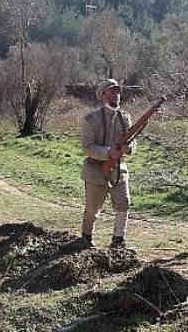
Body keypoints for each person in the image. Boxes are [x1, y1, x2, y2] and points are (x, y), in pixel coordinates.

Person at [80, 79, 136, 249]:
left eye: (117, 91)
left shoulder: (125, 118)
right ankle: (86, 238)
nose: (115, 95)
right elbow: (87, 147)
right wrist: (107, 152)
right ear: (103, 95)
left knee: (124, 202)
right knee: (93, 208)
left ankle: (118, 240)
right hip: (95, 169)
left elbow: (133, 143)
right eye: (111, 91)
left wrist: (128, 149)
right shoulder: (90, 119)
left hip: (118, 169)